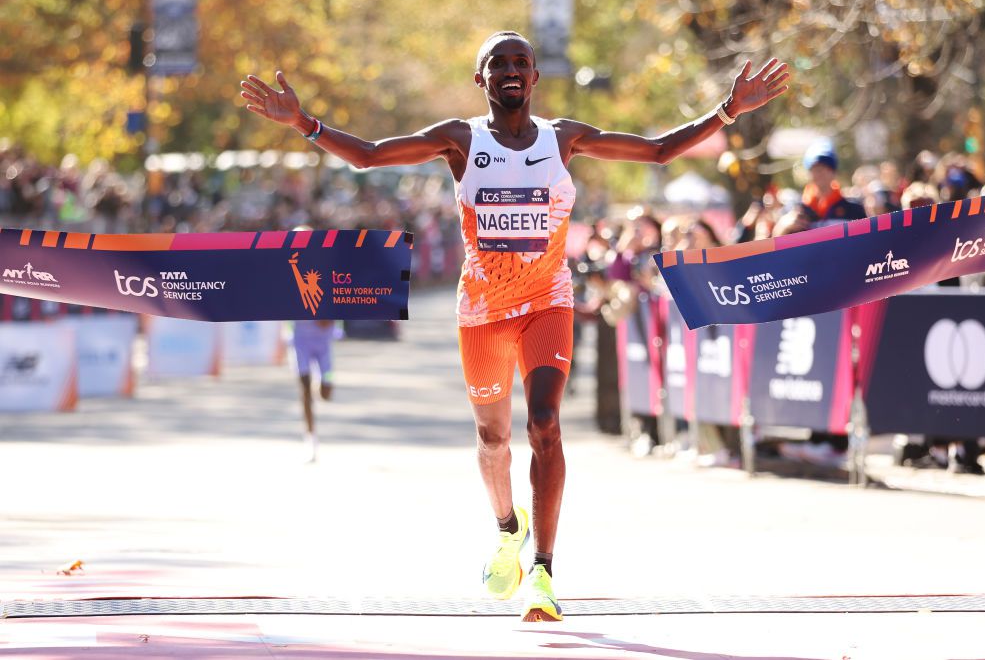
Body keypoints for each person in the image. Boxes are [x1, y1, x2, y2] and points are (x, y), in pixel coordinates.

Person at [240, 31, 788, 622]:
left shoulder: (564, 138)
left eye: (521, 63)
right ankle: (508, 526)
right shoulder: (460, 140)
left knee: (545, 423)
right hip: (481, 311)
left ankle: (545, 573)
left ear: (533, 79)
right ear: (481, 79)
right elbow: (372, 154)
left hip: (546, 302)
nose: (510, 70)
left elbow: (656, 151)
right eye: (497, 63)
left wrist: (728, 110)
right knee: (494, 440)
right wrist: (304, 123)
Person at [291, 318, 335, 463]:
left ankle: (320, 381)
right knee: (305, 390)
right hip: (301, 340)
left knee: (326, 393)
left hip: (324, 343)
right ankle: (310, 439)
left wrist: (329, 318)